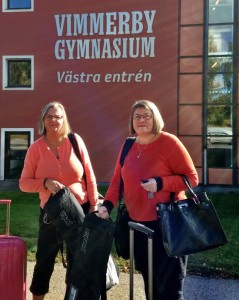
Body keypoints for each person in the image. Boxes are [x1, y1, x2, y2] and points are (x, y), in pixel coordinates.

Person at [98, 100, 198, 300]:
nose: (142, 120)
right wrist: (107, 205)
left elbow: (191, 178)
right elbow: (117, 180)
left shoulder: (169, 142)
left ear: (155, 119)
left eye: (147, 116)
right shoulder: (128, 145)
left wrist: (160, 183)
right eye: (137, 116)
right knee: (150, 285)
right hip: (139, 227)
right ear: (132, 121)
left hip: (168, 227)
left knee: (170, 289)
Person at [19, 101, 99, 300]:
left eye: (58, 117)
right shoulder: (35, 148)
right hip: (51, 215)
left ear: (64, 120)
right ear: (43, 121)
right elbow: (23, 183)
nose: (54, 120)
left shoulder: (75, 141)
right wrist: (45, 182)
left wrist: (94, 205)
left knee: (77, 262)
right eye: (49, 117)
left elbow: (89, 174)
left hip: (79, 210)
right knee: (44, 261)